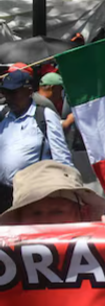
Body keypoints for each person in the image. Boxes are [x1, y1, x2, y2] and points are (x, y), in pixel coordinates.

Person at [0, 69, 73, 211]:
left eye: (14, 93)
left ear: (28, 91)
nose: (8, 97)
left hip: (32, 195)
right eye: (5, 92)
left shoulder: (44, 116)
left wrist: (67, 193)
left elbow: (62, 159)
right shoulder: (3, 114)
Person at [0, 160, 105, 229]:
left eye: (57, 211)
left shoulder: (104, 242)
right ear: (18, 219)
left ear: (84, 212)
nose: (46, 220)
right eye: (36, 213)